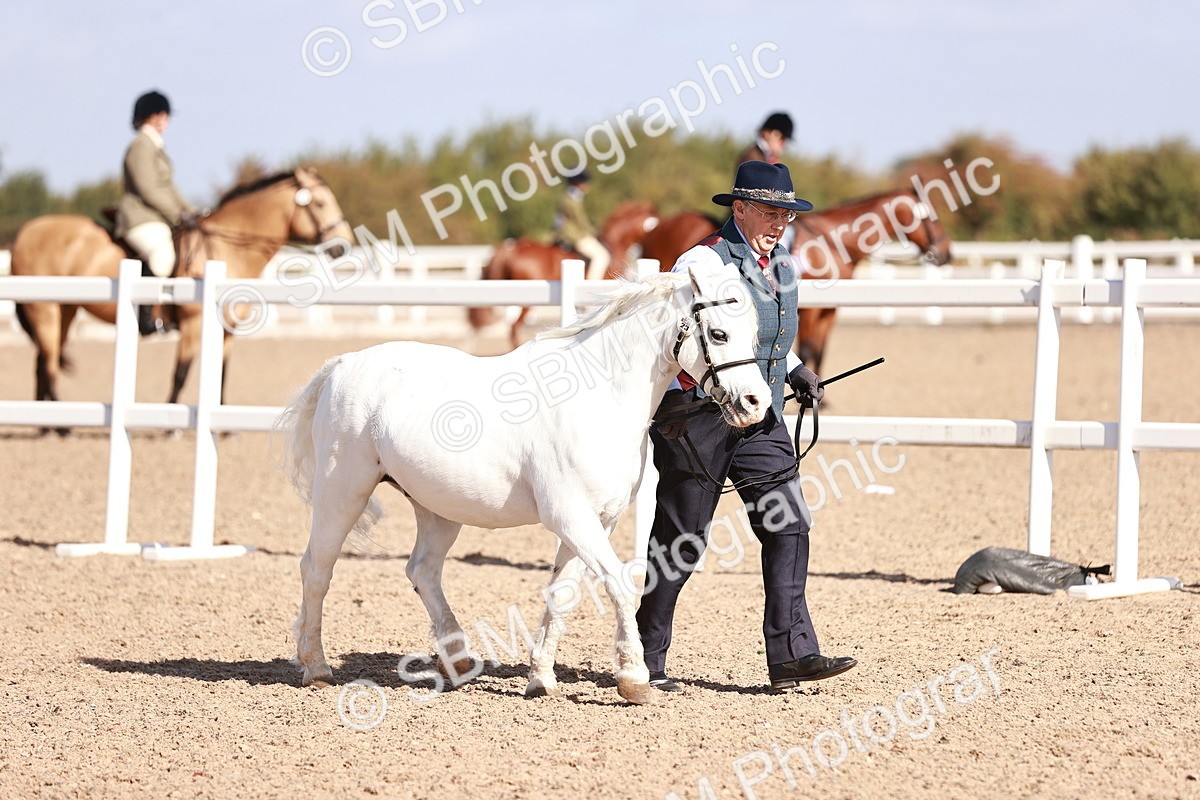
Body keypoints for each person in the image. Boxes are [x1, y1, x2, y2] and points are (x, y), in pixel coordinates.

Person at [636, 160, 857, 693]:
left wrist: (797, 370)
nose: (778, 221)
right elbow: (682, 339)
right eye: (767, 210)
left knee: (789, 525)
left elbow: (771, 338)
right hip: (699, 417)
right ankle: (644, 654)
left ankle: (791, 655)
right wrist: (730, 384)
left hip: (762, 418)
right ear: (738, 209)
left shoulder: (783, 261)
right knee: (682, 540)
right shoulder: (703, 260)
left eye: (785, 212)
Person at [115, 90, 197, 281]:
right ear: (144, 118)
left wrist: (193, 213)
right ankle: (148, 310)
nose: (161, 119)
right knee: (163, 256)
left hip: (158, 216)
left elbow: (169, 187)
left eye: (164, 115)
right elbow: (148, 189)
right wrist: (177, 215)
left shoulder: (156, 146)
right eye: (155, 115)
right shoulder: (141, 146)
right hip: (140, 217)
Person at [553, 170, 610, 280]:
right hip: (573, 236)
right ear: (577, 183)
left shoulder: (569, 197)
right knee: (602, 256)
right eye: (584, 182)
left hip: (570, 233)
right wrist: (596, 232)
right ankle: (590, 286)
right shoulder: (571, 200)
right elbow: (581, 223)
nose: (586, 185)